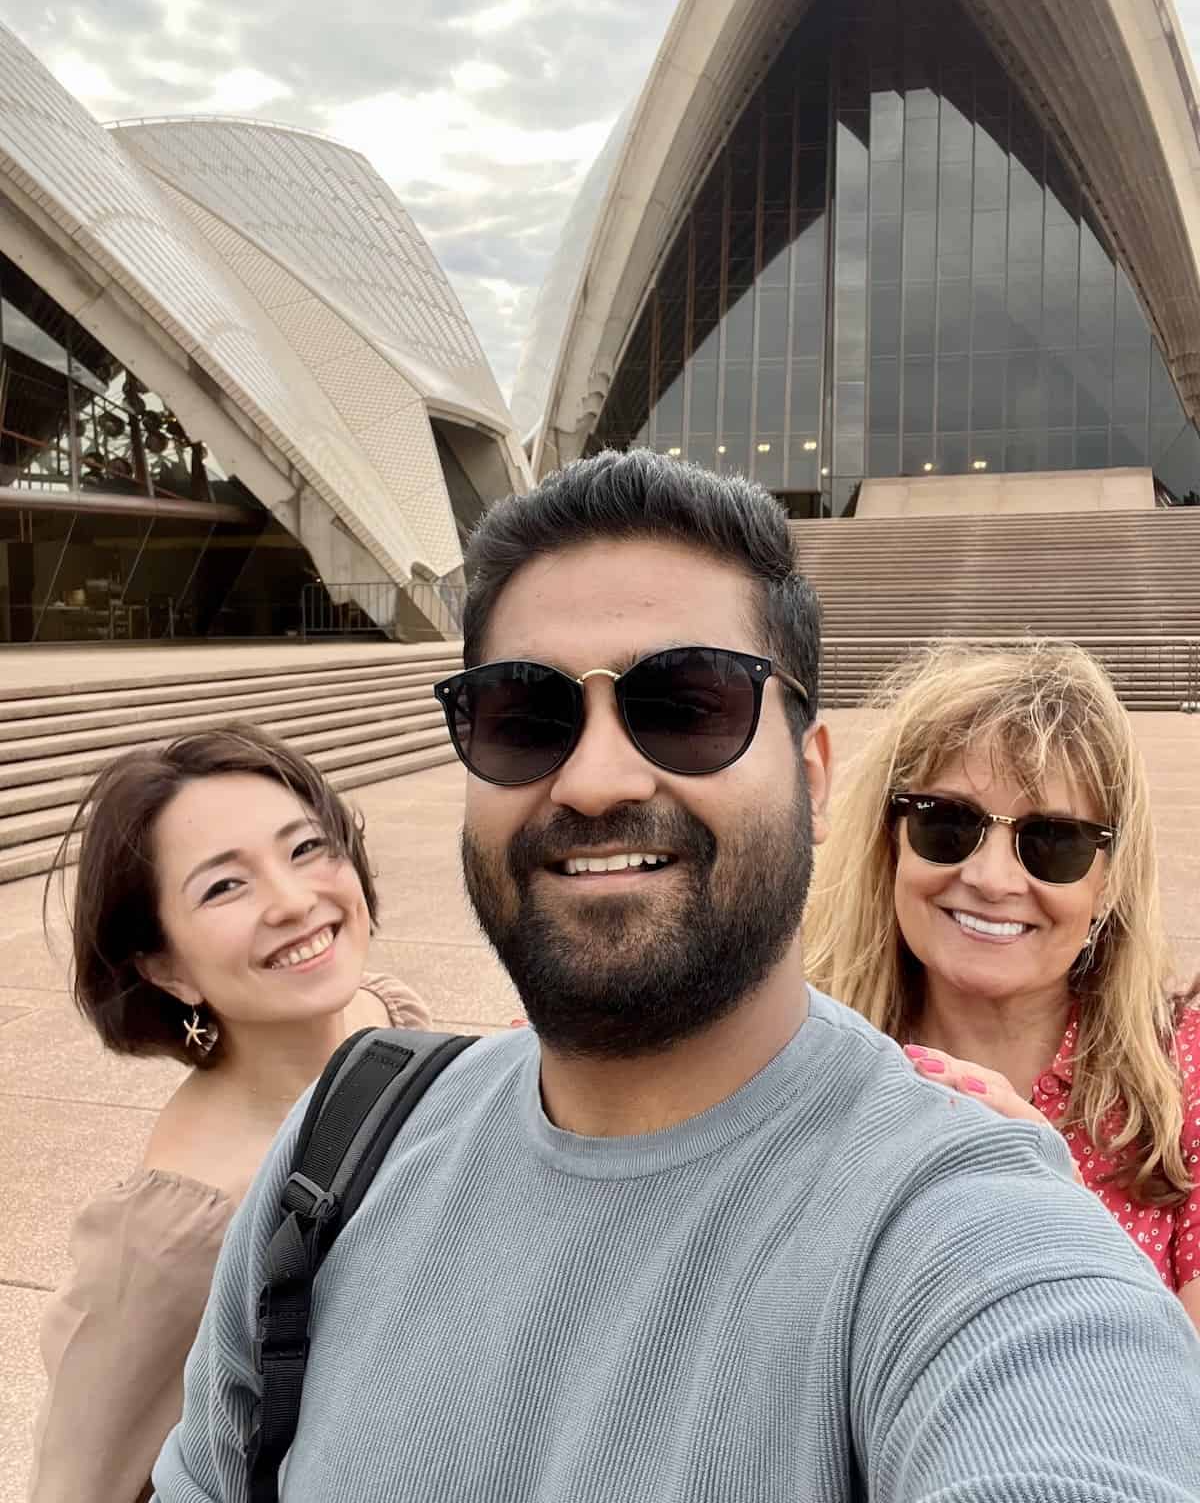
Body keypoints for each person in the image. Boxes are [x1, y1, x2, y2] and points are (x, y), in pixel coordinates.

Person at [154, 451, 1200, 1502]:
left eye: (689, 703)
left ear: (813, 775)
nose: (599, 777)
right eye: (524, 714)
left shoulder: (959, 1228)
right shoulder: (344, 1149)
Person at [29, 724, 430, 1503]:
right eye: (224, 886)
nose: (294, 900)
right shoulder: (176, 1232)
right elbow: (77, 1479)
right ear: (166, 967)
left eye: (307, 848)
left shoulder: (387, 1022)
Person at [805, 640, 1200, 1328]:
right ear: (889, 842)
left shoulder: (1185, 1078)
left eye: (1053, 841)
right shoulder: (798, 1063)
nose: (991, 879)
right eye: (945, 824)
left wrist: (1058, 1224)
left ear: (1110, 883)